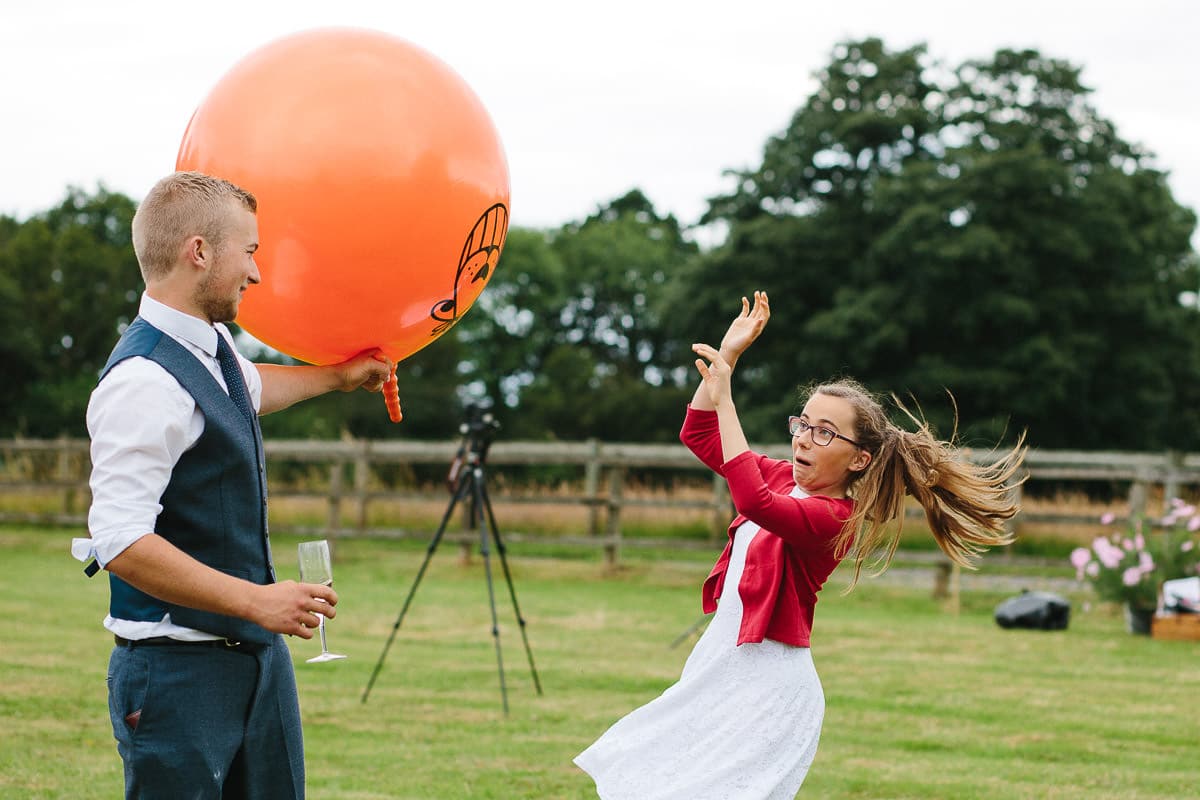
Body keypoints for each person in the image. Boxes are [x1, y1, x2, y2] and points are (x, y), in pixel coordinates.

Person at [574, 291, 1026, 799]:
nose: (805, 438)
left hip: (768, 693)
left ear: (860, 460)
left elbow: (754, 501)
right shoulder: (783, 478)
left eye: (826, 433)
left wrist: (727, 397)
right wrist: (728, 360)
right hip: (721, 676)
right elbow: (699, 434)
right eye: (804, 424)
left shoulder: (834, 516)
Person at [71, 171, 393, 799]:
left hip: (257, 663)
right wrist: (257, 601)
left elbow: (248, 390)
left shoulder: (210, 345)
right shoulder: (141, 382)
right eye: (249, 251)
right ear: (199, 252)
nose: (257, 273)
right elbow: (119, 539)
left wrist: (337, 376)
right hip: (175, 675)